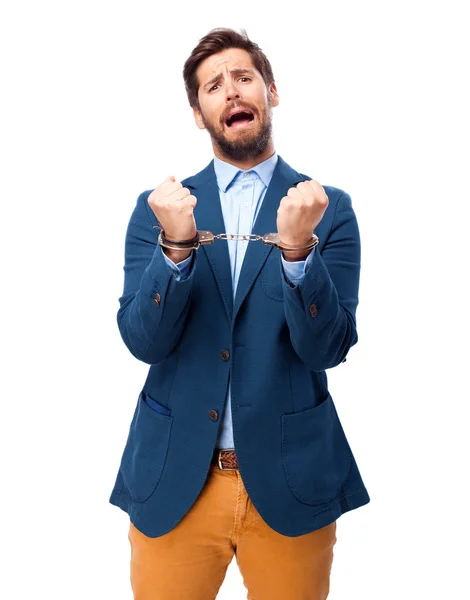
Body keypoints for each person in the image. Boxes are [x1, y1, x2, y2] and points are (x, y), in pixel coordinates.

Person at [109, 26, 370, 600]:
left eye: (243, 77)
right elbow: (142, 341)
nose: (230, 92)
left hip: (290, 480)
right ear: (199, 115)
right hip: (176, 482)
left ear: (271, 93)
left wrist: (301, 252)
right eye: (211, 87)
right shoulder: (157, 209)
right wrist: (174, 249)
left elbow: (329, 348)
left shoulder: (328, 209)